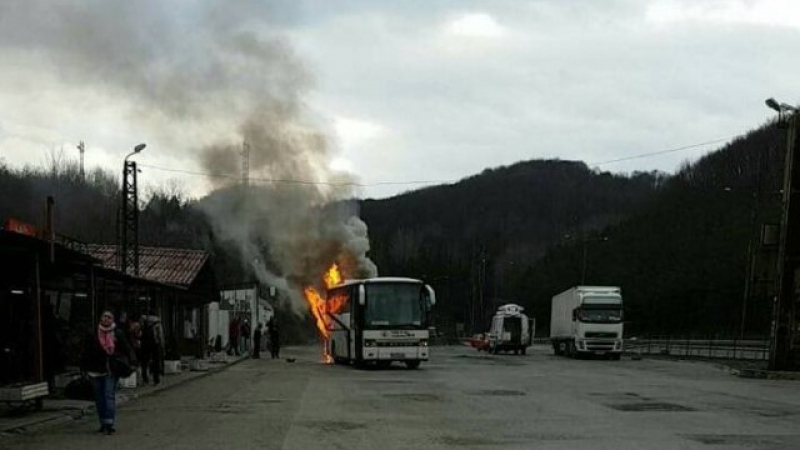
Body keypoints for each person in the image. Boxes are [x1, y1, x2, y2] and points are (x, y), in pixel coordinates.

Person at [81, 311, 133, 435]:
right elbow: (85, 351)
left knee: (108, 395)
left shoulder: (117, 333)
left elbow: (127, 348)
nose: (106, 319)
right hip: (94, 370)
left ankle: (109, 423)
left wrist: (133, 362)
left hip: (110, 370)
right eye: (104, 316)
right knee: (99, 399)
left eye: (109, 317)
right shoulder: (93, 333)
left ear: (112, 319)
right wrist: (83, 367)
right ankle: (102, 422)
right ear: (100, 318)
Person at [140, 309, 165, 385]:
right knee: (156, 361)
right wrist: (162, 345)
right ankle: (156, 379)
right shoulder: (157, 322)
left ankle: (145, 379)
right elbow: (160, 334)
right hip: (155, 344)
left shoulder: (144, 320)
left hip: (145, 343)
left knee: (144, 361)